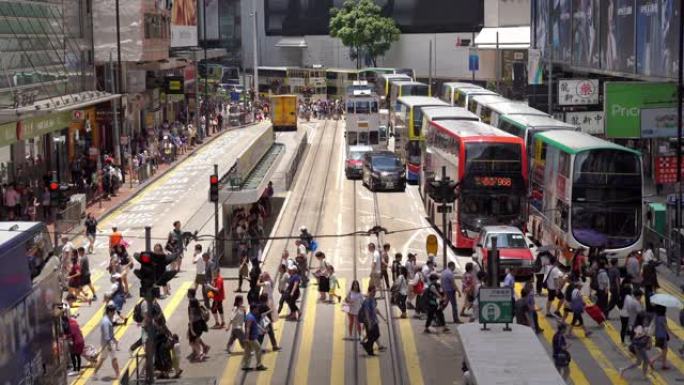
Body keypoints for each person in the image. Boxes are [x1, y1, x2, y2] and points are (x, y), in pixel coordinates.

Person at [92, 304, 120, 379]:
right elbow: (107, 335)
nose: (114, 313)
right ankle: (118, 374)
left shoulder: (107, 319)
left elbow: (110, 333)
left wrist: (114, 339)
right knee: (114, 358)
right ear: (110, 312)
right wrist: (110, 346)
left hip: (106, 343)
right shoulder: (106, 322)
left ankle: (94, 373)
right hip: (108, 344)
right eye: (114, 311)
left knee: (102, 359)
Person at [359, 285, 386, 356]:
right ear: (370, 291)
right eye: (373, 291)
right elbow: (367, 313)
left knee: (375, 335)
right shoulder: (367, 301)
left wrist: (382, 318)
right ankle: (368, 347)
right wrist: (369, 323)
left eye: (375, 291)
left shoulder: (372, 299)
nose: (375, 293)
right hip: (369, 321)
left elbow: (375, 310)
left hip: (374, 320)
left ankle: (368, 347)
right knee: (374, 335)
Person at [187, 288, 209, 361]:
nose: (187, 294)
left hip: (195, 323)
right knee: (196, 338)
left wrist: (191, 327)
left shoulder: (192, 301)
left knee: (192, 341)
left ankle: (199, 353)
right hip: (200, 322)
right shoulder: (196, 300)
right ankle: (204, 347)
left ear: (190, 294)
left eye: (188, 293)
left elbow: (191, 315)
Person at [242, 305, 267, 371]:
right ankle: (259, 365)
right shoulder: (250, 317)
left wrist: (262, 329)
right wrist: (247, 338)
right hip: (251, 338)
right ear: (253, 309)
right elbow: (248, 328)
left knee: (247, 352)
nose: (258, 310)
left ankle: (245, 366)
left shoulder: (251, 316)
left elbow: (256, 324)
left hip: (249, 338)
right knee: (259, 350)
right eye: (257, 309)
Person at [649, 305, 671, 370]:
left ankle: (664, 365)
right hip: (662, 336)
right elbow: (666, 327)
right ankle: (652, 360)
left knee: (664, 350)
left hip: (657, 335)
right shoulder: (662, 317)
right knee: (664, 351)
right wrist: (674, 335)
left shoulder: (656, 316)